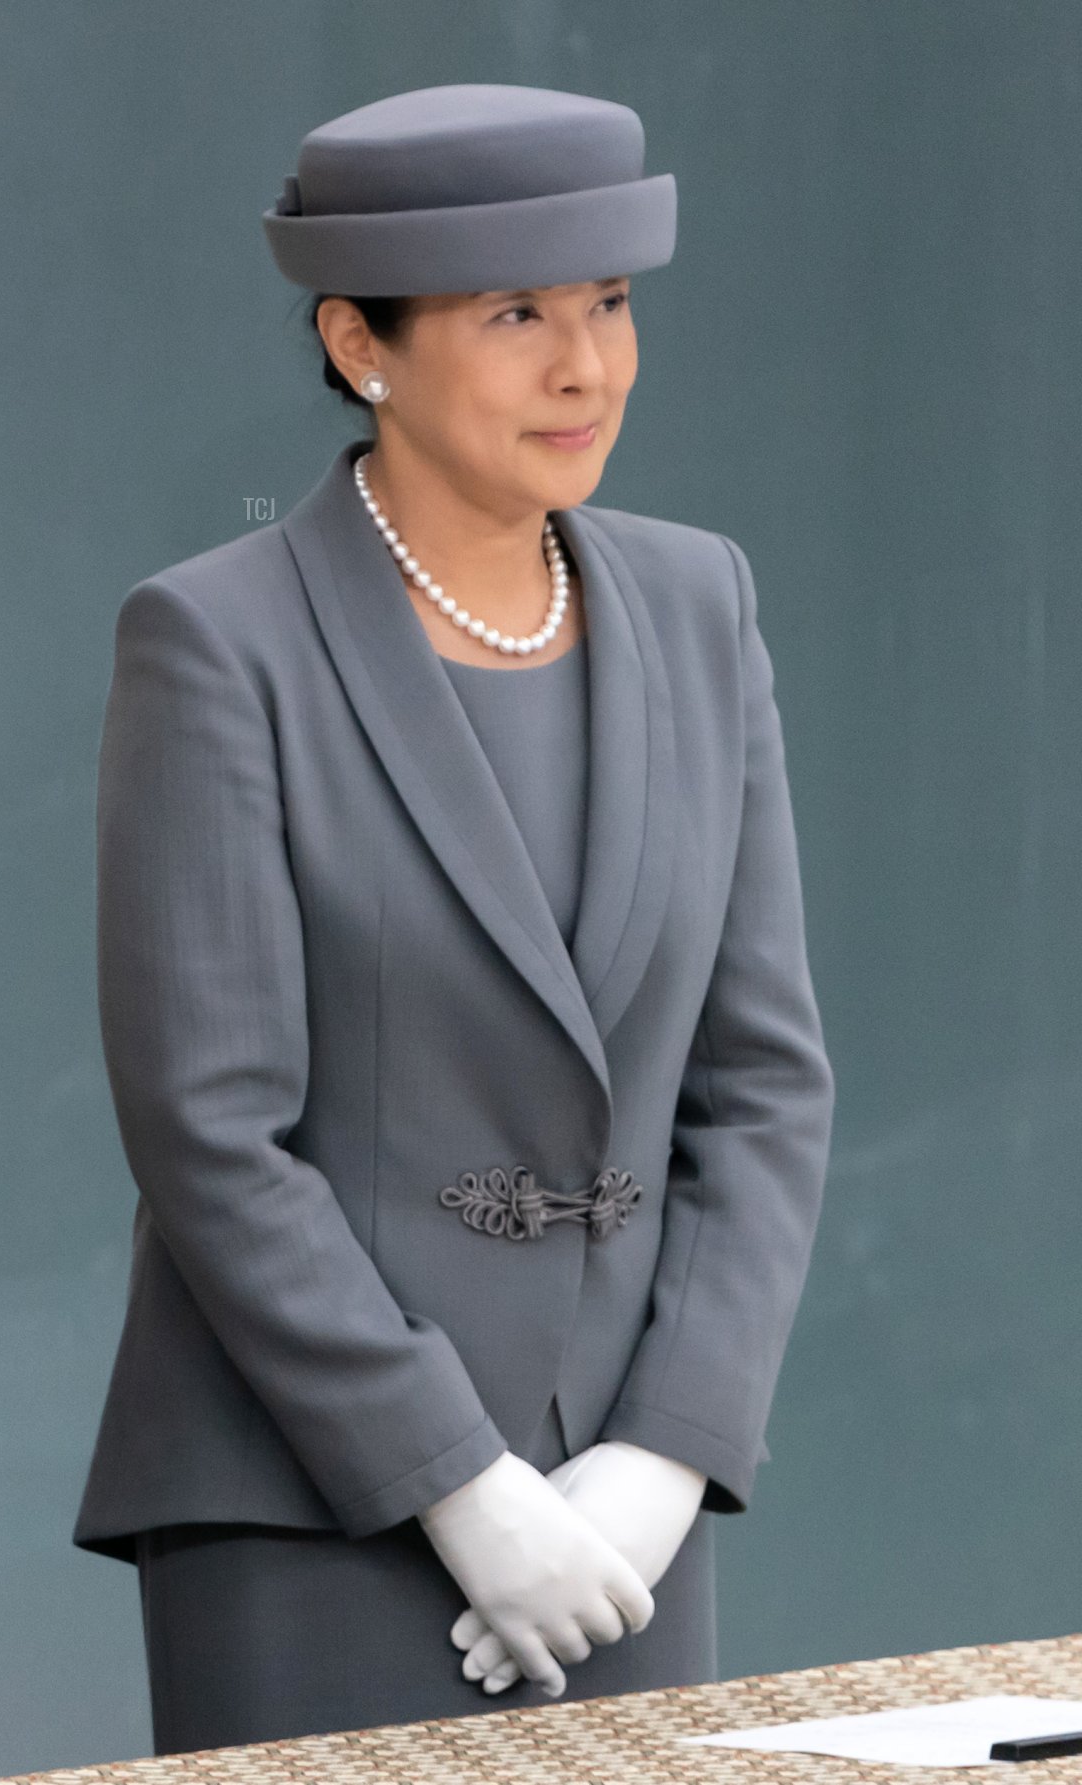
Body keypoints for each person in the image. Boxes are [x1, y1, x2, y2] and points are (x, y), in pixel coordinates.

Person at [71, 82, 836, 1753]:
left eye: (612, 304)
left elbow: (764, 1082)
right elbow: (212, 1128)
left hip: (619, 1533)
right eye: (515, 315)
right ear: (362, 343)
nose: (589, 366)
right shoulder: (217, 645)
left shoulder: (702, 601)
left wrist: (665, 1453)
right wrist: (461, 1486)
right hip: (307, 1503)